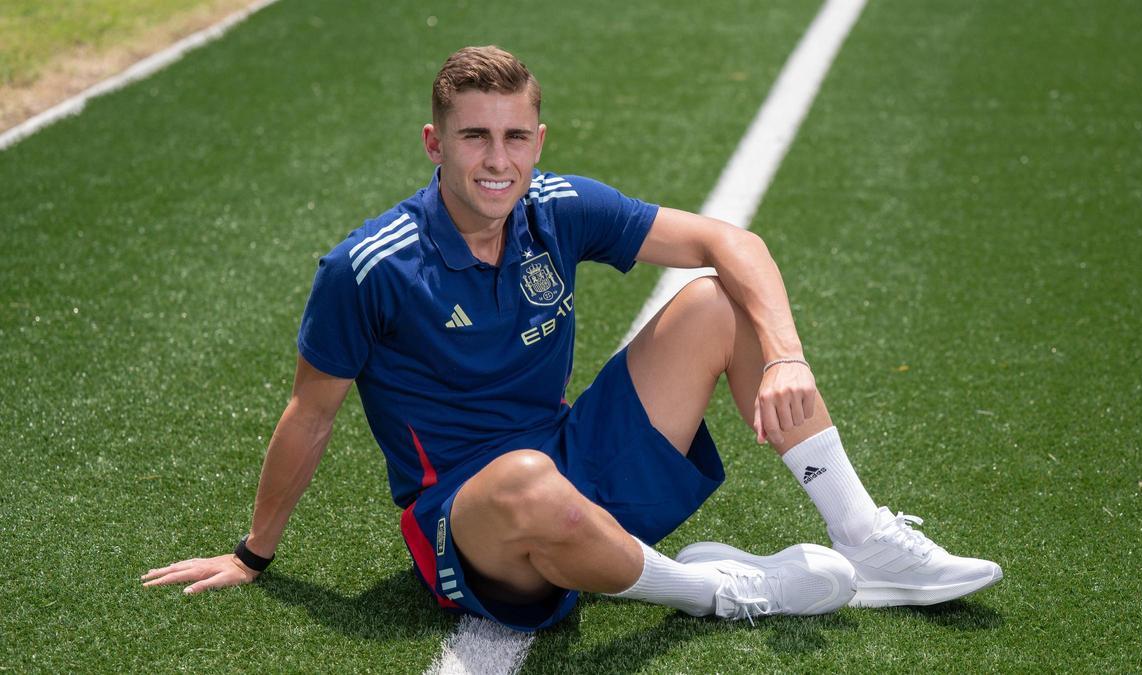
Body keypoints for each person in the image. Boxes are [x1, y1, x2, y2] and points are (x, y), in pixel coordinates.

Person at [142, 46, 1001, 630]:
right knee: (523, 480)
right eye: (474, 136)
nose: (496, 160)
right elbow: (310, 413)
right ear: (435, 143)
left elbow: (732, 243)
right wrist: (253, 554)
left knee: (716, 301)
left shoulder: (553, 206)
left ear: (538, 140)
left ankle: (865, 534)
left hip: (572, 455)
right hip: (469, 520)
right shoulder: (369, 268)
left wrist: (784, 354)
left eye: (516, 136)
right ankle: (717, 590)